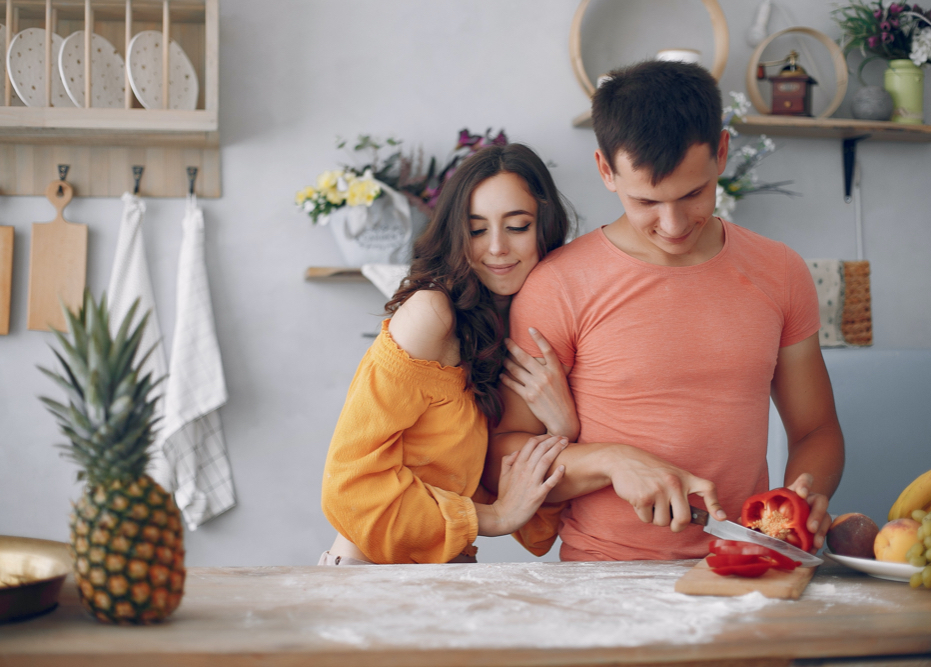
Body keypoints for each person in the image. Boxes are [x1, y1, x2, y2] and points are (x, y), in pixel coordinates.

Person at [487, 60, 845, 562]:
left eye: (693, 194)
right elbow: (501, 458)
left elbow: (816, 430)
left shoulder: (780, 271)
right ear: (606, 171)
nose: (674, 224)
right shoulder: (557, 286)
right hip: (603, 578)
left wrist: (803, 496)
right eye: (647, 201)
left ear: (721, 152)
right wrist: (613, 461)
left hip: (746, 562)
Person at [320, 143, 577, 565]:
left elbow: (536, 534)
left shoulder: (523, 330)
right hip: (369, 575)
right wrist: (492, 518)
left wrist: (562, 428)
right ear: (457, 234)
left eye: (517, 226)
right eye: (477, 230)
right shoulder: (432, 314)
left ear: (545, 229)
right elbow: (348, 484)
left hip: (449, 577)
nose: (496, 247)